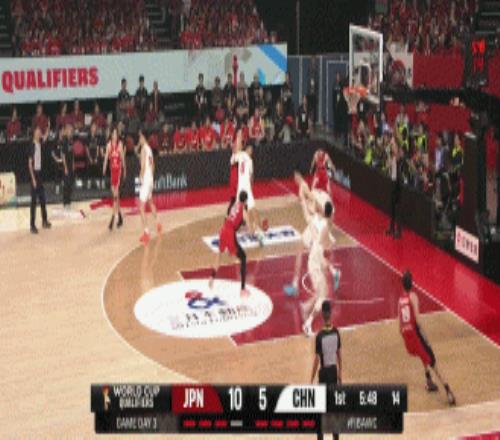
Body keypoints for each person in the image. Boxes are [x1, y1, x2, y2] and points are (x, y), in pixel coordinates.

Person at [398, 271, 456, 406]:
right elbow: (418, 321)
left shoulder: (399, 300)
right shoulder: (413, 297)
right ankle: (448, 391)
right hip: (415, 334)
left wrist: (406, 338)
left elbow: (399, 325)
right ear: (412, 284)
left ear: (402, 285)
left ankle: (428, 380)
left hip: (406, 337)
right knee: (433, 361)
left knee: (422, 354)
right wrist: (426, 336)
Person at [284, 170, 340, 298]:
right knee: (316, 255)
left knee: (303, 251)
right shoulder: (323, 196)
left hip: (317, 226)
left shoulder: (313, 194)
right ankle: (334, 271)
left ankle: (295, 286)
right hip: (321, 226)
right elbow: (330, 217)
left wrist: (303, 200)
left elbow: (313, 206)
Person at [209, 191, 252, 296]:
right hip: (229, 234)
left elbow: (233, 223)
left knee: (219, 255)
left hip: (223, 230)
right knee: (243, 257)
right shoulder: (244, 211)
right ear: (246, 201)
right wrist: (252, 228)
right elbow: (250, 231)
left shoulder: (234, 205)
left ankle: (212, 277)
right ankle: (242, 289)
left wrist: (243, 229)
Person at [311, 300, 341, 440]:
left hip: (324, 374)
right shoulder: (336, 332)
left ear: (322, 314)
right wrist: (340, 373)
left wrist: (311, 378)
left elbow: (317, 359)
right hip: (334, 372)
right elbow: (339, 354)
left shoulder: (320, 336)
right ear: (331, 313)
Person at [236, 143, 264, 244]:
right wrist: (251, 187)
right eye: (251, 149)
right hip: (245, 187)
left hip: (241, 187)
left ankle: (253, 228)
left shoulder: (241, 155)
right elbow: (251, 176)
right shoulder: (249, 160)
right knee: (249, 208)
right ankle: (255, 227)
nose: (251, 151)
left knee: (244, 209)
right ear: (247, 148)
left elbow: (237, 150)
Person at [137, 129, 162, 244]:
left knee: (141, 207)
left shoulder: (143, 149)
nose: (139, 139)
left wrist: (141, 178)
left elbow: (143, 166)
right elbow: (153, 165)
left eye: (140, 137)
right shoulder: (149, 149)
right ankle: (158, 223)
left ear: (143, 138)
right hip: (150, 179)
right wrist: (150, 177)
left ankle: (146, 233)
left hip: (146, 180)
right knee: (151, 202)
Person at [28, 126, 51, 234]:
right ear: (34, 134)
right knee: (33, 201)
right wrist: (33, 179)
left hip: (40, 174)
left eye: (40, 132)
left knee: (42, 199)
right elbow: (29, 164)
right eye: (37, 132)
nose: (39, 134)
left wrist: (48, 128)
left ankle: (44, 221)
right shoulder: (31, 146)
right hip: (34, 174)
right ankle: (32, 225)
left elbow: (45, 137)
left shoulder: (39, 143)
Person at [102, 126, 126, 230]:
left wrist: (125, 170)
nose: (115, 136)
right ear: (111, 135)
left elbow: (123, 159)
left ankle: (112, 219)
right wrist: (104, 168)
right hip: (112, 173)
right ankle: (120, 217)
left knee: (115, 197)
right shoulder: (108, 145)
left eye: (116, 134)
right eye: (113, 134)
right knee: (116, 197)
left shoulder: (120, 145)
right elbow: (106, 159)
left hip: (118, 172)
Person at [386, 138, 402, 238]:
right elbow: (388, 165)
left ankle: (398, 231)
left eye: (393, 145)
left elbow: (398, 157)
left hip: (398, 183)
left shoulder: (399, 155)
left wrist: (393, 147)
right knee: (392, 207)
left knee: (398, 208)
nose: (392, 146)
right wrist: (389, 155)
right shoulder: (392, 156)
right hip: (392, 182)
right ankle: (391, 228)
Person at [61, 123, 75, 209]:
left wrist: (73, 163)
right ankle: (65, 202)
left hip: (70, 164)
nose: (70, 131)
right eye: (69, 130)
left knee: (70, 183)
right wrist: (65, 166)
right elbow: (63, 155)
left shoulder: (71, 140)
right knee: (66, 184)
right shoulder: (64, 140)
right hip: (66, 165)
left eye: (71, 130)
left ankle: (69, 201)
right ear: (66, 131)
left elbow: (72, 153)